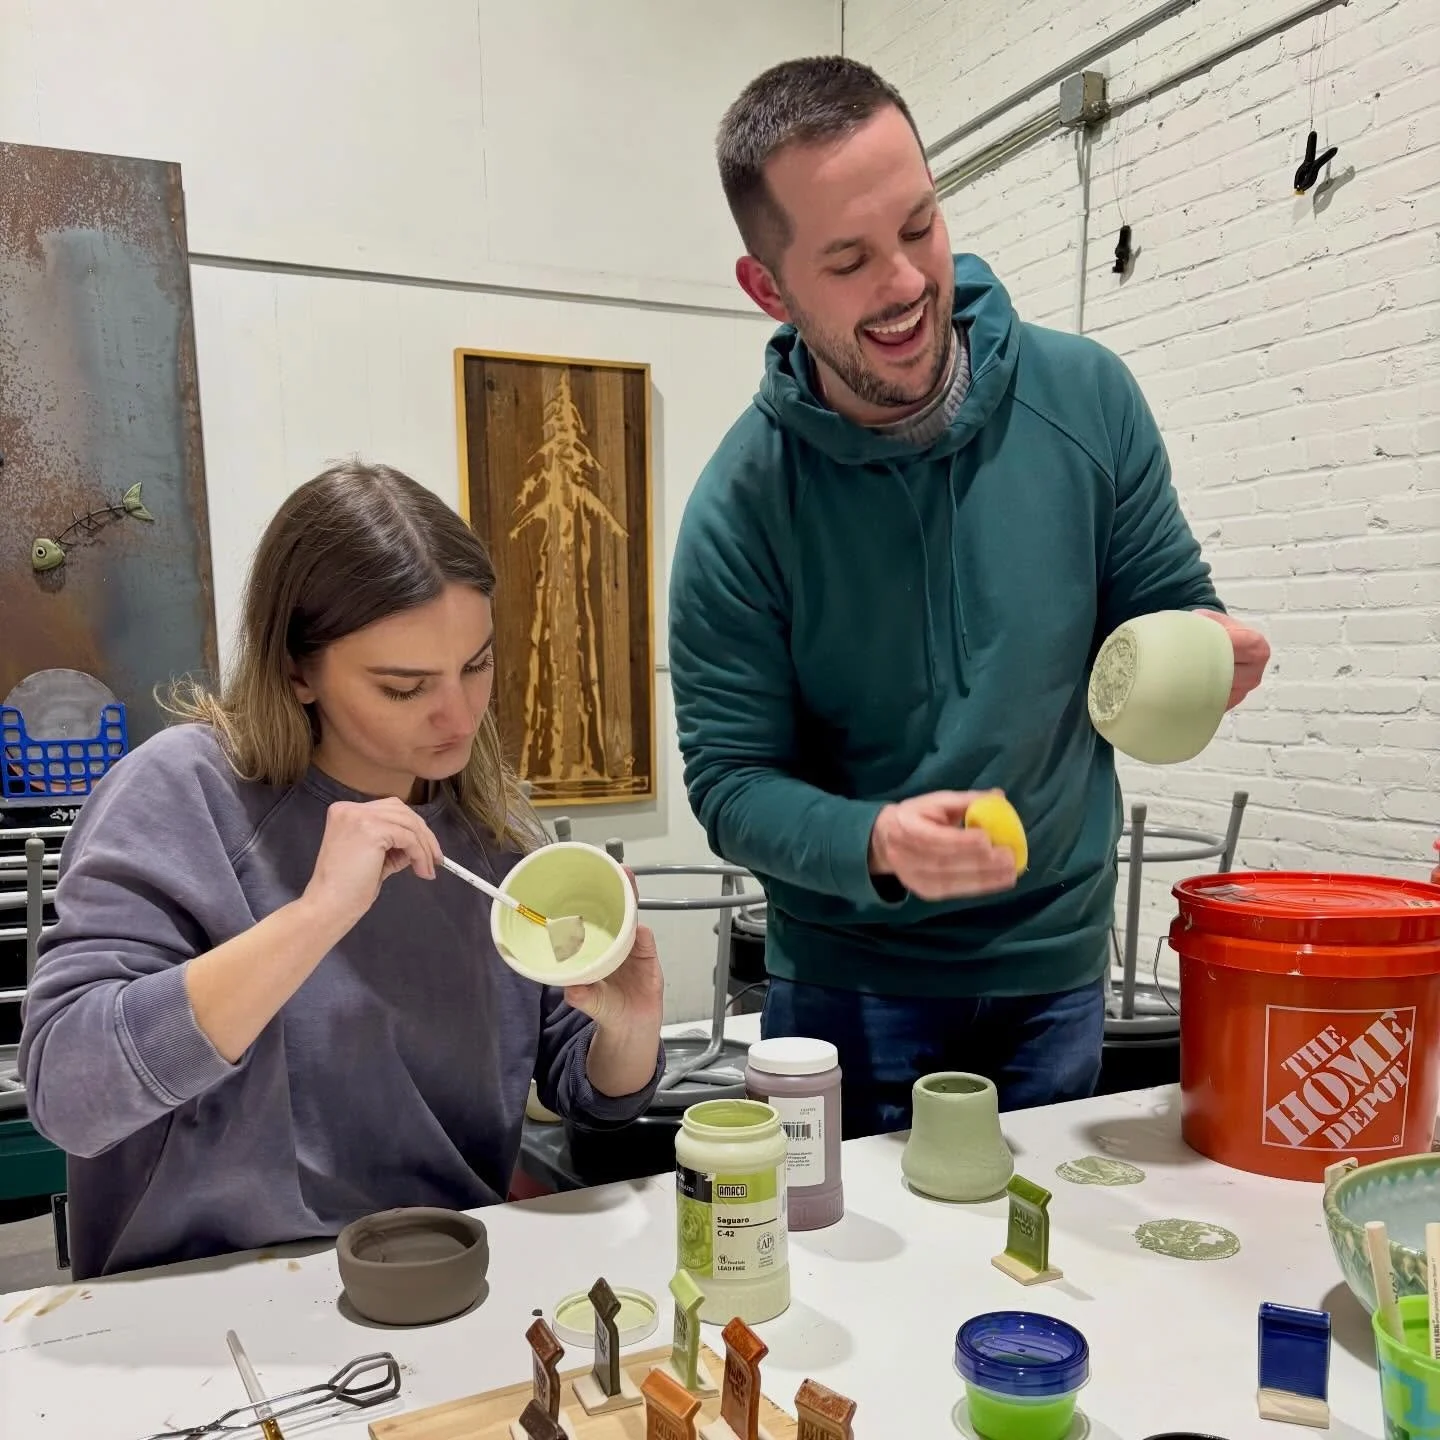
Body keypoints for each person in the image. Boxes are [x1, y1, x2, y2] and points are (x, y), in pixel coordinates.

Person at [667, 57, 1271, 1137]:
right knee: (848, 1248)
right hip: (849, 985)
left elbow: (1166, 610)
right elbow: (731, 784)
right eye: (848, 260)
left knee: (1038, 1238)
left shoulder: (1087, 400)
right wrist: (876, 841)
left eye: (919, 225)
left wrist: (1209, 650)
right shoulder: (741, 507)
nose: (905, 282)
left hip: (1055, 971)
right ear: (770, 289)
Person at [19, 462, 665, 1279]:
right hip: (204, 1292)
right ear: (298, 670)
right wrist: (315, 915)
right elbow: (70, 1096)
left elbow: (585, 1089)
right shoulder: (183, 795)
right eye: (404, 688)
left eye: (476, 665)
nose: (460, 715)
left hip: (440, 1273)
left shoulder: (492, 830)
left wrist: (628, 1027)